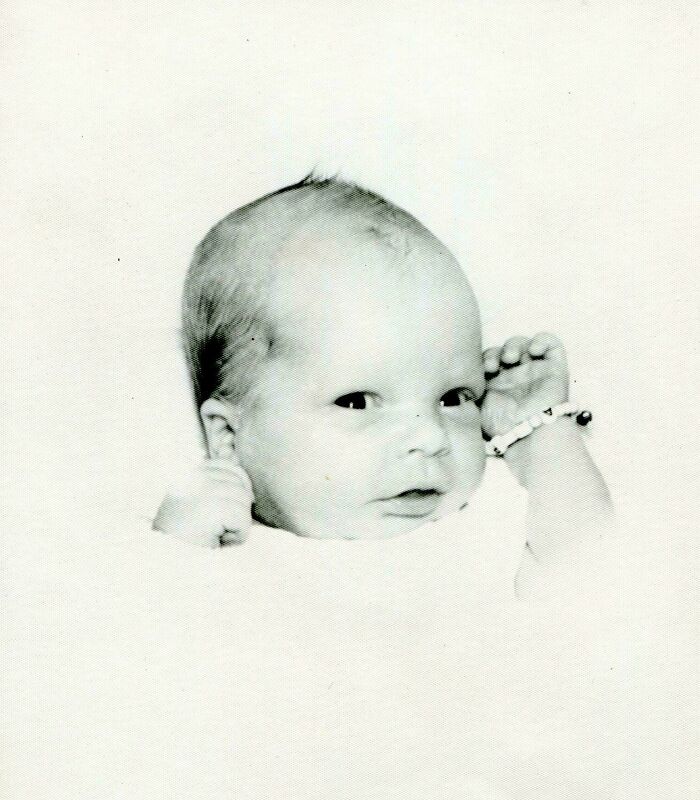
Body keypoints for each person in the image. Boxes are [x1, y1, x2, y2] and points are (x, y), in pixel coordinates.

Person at [154, 174, 613, 571]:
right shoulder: (222, 548)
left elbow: (587, 570)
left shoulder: (482, 521)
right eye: (357, 402)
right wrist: (175, 549)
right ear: (229, 437)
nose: (431, 437)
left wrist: (543, 435)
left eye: (454, 398)